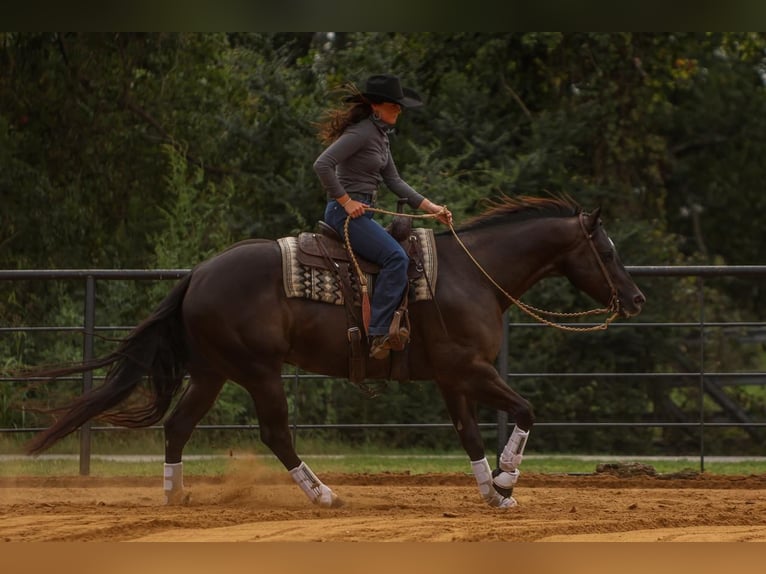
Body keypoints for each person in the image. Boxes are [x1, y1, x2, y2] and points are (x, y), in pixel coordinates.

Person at [313, 74, 452, 360]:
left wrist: (432, 208)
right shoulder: (362, 133)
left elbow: (395, 181)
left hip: (360, 213)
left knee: (397, 254)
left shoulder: (380, 137)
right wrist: (346, 201)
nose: (399, 110)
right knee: (396, 258)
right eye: (394, 105)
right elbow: (322, 164)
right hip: (345, 214)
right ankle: (378, 333)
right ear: (377, 107)